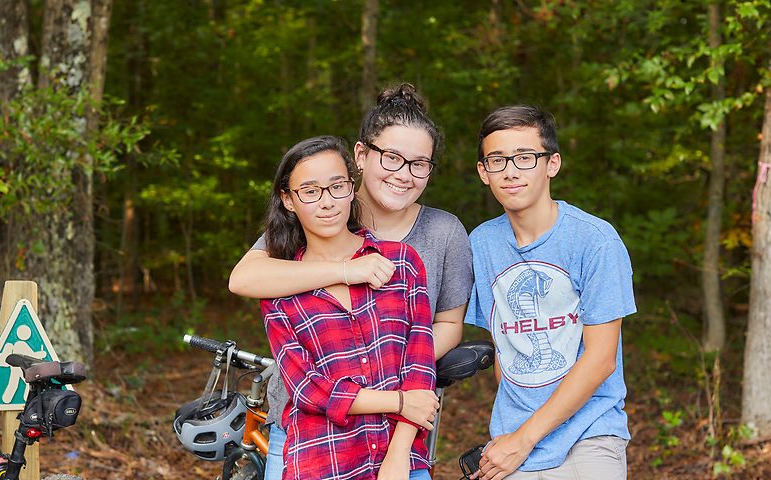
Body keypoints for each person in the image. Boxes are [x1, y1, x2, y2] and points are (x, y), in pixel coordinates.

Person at [229, 84, 474, 479]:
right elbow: (246, 278)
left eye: (419, 164)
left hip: (398, 428)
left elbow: (442, 327)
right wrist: (348, 270)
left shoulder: (439, 235)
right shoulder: (316, 209)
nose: (403, 174)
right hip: (312, 434)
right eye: (391, 158)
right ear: (361, 155)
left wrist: (402, 392)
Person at [465, 105, 636, 480]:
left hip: (589, 434)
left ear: (552, 164)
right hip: (512, 440)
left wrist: (524, 439)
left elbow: (601, 360)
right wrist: (514, 437)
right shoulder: (481, 244)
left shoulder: (595, 240)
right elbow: (504, 344)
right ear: (483, 172)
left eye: (525, 157)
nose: (510, 171)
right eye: (497, 160)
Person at [260, 135, 437, 480]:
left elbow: (419, 364)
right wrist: (399, 402)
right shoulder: (280, 286)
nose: (327, 202)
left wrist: (398, 455)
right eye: (310, 191)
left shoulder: (401, 262)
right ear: (288, 200)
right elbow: (308, 389)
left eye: (337, 186)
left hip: (401, 459)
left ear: (352, 188)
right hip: (323, 460)